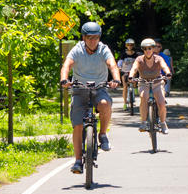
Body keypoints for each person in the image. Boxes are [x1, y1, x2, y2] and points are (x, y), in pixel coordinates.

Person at [59, 21, 122, 174]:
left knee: (104, 104)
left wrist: (116, 79)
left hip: (99, 87)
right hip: (80, 89)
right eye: (89, 38)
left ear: (99, 37)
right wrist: (64, 80)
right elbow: (66, 65)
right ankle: (78, 161)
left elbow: (112, 65)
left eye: (96, 37)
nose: (93, 41)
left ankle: (102, 134)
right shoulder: (77, 49)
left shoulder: (103, 49)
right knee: (78, 126)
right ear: (84, 38)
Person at [129, 38, 171, 132]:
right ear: (143, 49)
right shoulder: (139, 59)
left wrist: (167, 73)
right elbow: (134, 68)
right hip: (144, 83)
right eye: (145, 48)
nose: (147, 50)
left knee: (161, 103)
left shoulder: (158, 59)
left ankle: (163, 123)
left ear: (153, 48)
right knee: (144, 98)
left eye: (150, 48)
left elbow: (164, 66)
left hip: (157, 82)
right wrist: (131, 76)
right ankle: (143, 123)